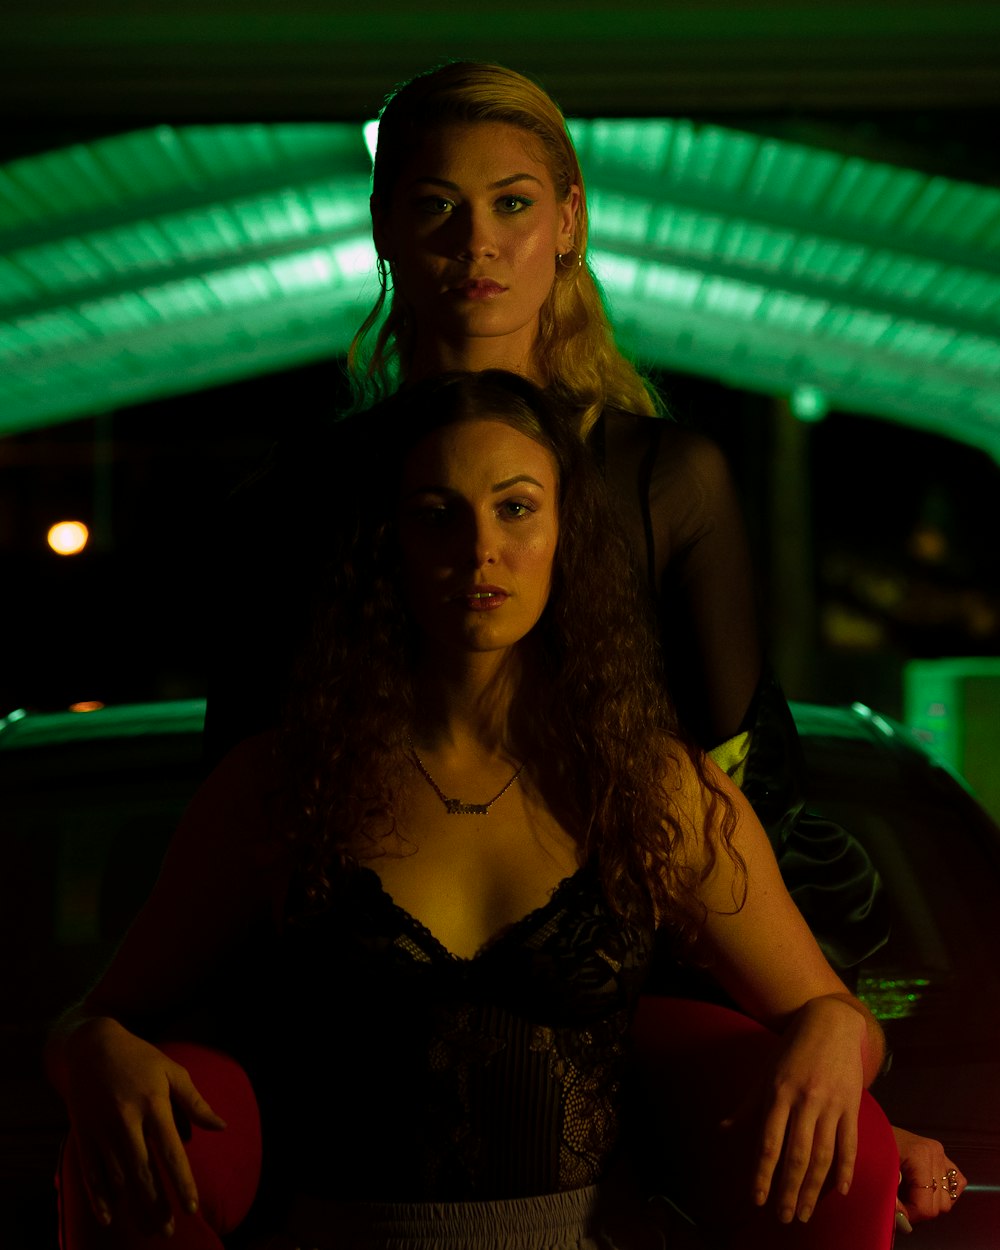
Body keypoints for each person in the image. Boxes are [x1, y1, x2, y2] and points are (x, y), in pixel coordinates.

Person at [199, 62, 963, 1234]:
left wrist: (824, 1068)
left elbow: (755, 794)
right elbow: (237, 827)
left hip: (628, 1058)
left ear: (570, 222)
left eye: (512, 203)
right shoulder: (295, 500)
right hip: (348, 1086)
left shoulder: (666, 481)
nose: (476, 245)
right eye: (436, 207)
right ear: (384, 228)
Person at [49, 371, 902, 1249]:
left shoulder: (649, 786)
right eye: (436, 512)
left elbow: (835, 1016)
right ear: (389, 543)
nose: (480, 548)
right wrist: (89, 1053)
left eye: (517, 508)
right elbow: (92, 1017)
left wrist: (838, 1032)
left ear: (567, 532)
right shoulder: (282, 783)